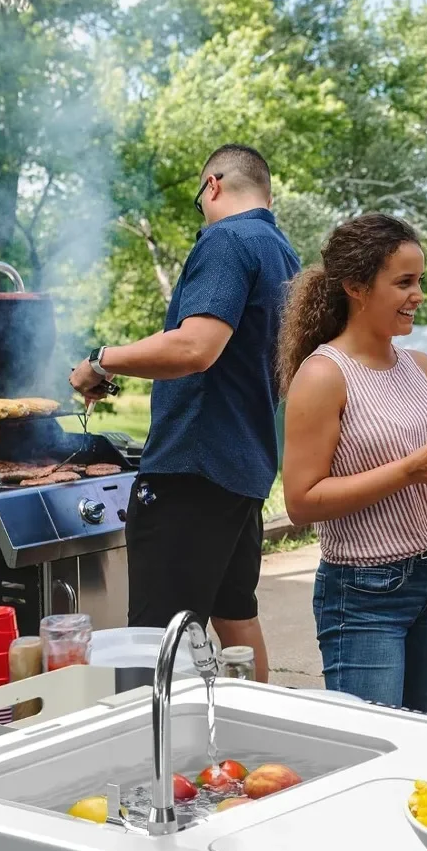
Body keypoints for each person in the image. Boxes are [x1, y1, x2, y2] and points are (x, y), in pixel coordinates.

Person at [70, 144, 300, 682]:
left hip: (192, 468)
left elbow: (194, 347)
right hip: (241, 467)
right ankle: (260, 741)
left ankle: (157, 758)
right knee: (235, 616)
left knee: (158, 636)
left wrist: (102, 360)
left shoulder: (226, 241)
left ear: (213, 186)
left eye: (201, 199)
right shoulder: (282, 253)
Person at [278, 212, 427, 711]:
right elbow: (301, 501)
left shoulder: (422, 367)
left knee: (418, 734)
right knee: (374, 746)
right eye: (404, 283)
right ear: (356, 286)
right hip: (365, 591)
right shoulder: (324, 375)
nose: (418, 294)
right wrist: (408, 471)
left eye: (419, 281)